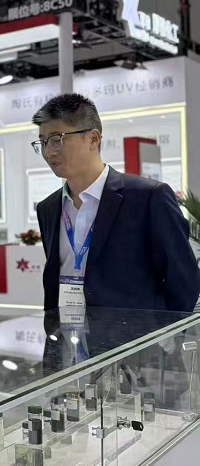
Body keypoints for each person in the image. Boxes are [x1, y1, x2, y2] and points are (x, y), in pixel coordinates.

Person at [32, 93, 200, 311]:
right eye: (43, 142)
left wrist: (161, 330)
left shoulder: (148, 197)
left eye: (57, 139)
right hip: (66, 330)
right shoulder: (48, 208)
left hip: (136, 332)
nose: (48, 152)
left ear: (93, 139)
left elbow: (184, 281)